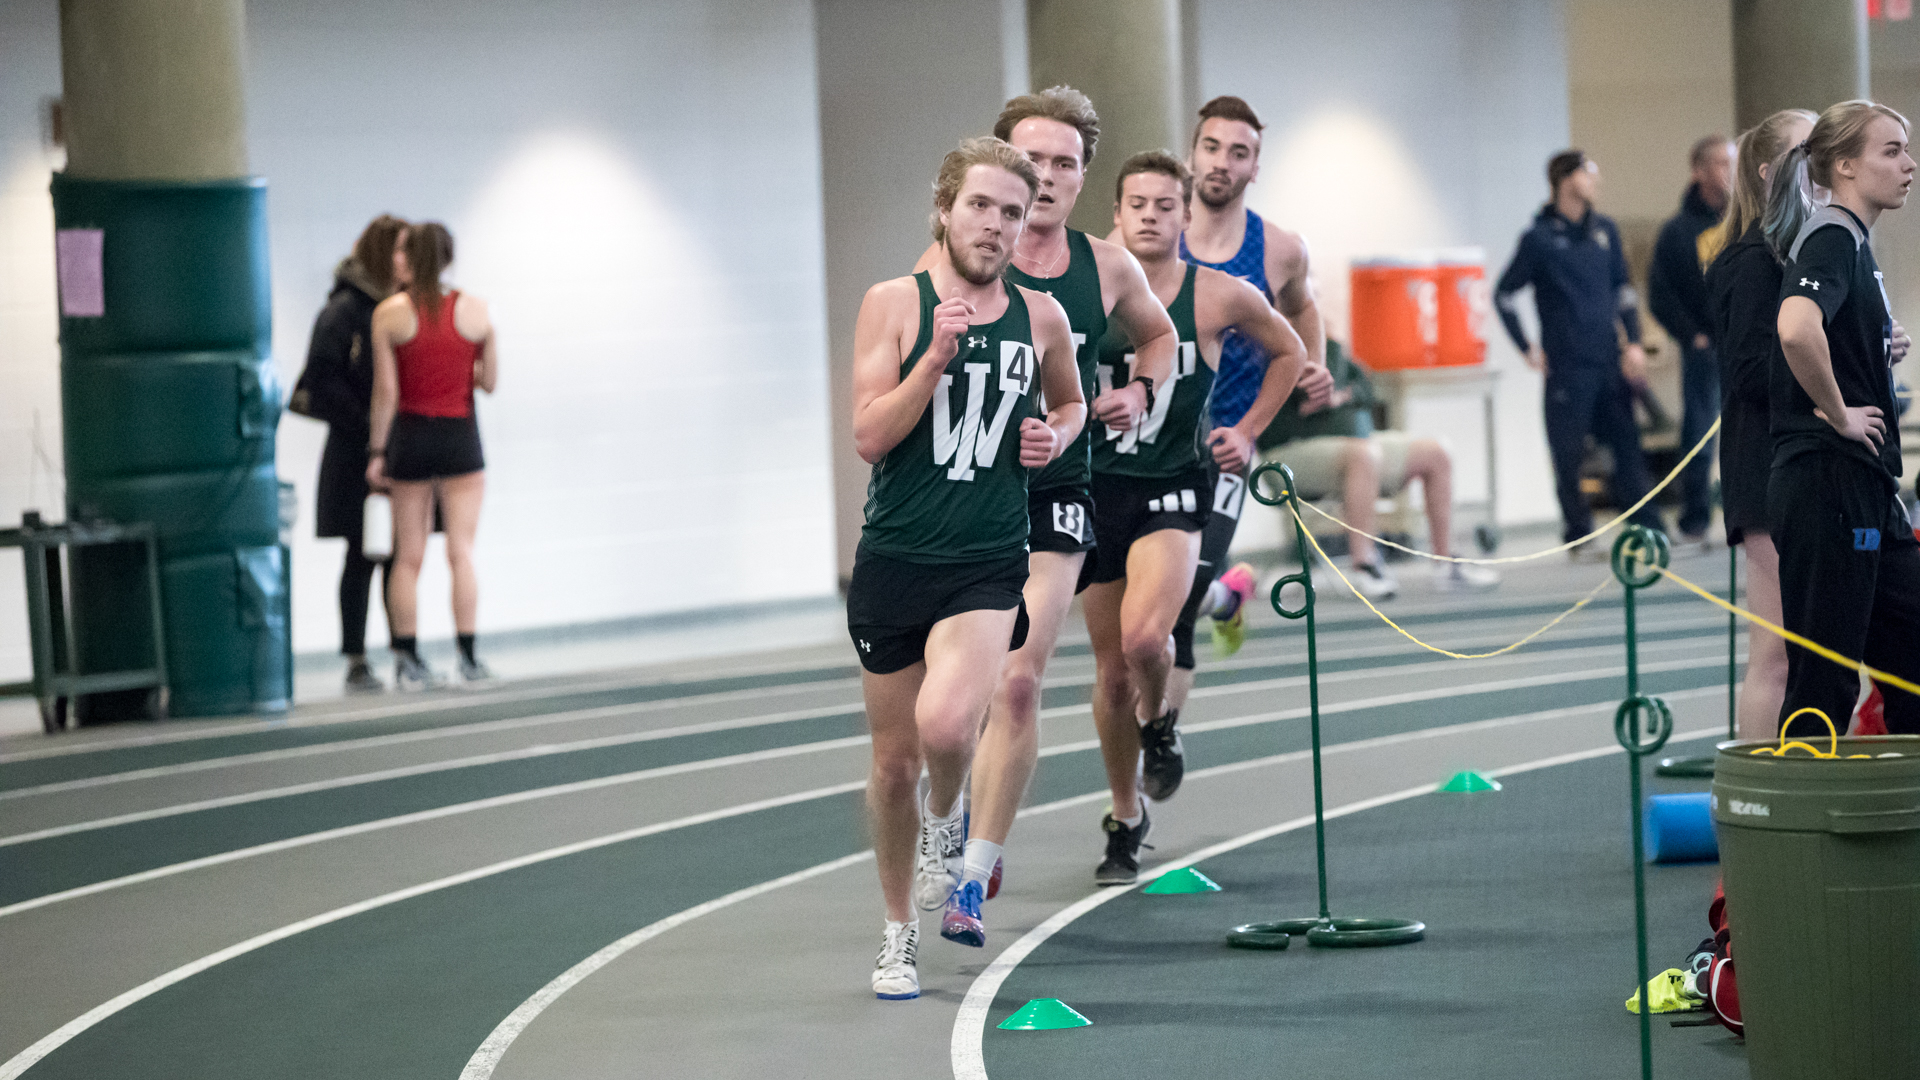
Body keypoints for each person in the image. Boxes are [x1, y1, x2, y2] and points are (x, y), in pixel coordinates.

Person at [910, 88, 1177, 909]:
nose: (1050, 177)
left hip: (1057, 490)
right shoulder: (951, 262)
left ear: (1084, 173)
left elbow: (1160, 335)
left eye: (1066, 163)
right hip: (961, 501)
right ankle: (945, 818)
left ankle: (978, 866)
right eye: (1035, 160)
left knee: (1019, 682)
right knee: (951, 710)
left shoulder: (1106, 266)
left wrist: (1137, 390)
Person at [850, 138, 1084, 997]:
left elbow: (1071, 399)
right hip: (895, 560)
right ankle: (897, 931)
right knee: (892, 763)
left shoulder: (1042, 316)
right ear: (945, 208)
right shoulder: (894, 304)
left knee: (949, 728)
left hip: (987, 560)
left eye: (1012, 213)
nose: (995, 225)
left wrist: (1053, 434)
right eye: (981, 206)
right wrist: (935, 360)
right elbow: (870, 435)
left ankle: (947, 830)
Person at [1085, 151, 1307, 885]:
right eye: (1137, 204)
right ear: (1115, 215)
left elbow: (1290, 350)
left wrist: (1247, 430)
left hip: (1173, 485)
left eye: (1164, 204)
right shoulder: (1081, 291)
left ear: (1186, 217)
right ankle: (1125, 817)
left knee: (1148, 637)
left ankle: (1161, 723)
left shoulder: (1218, 295)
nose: (1150, 215)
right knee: (1112, 671)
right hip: (1093, 491)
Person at [1164, 94, 1333, 712]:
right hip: (1152, 440)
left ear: (1254, 168)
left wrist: (1312, 362)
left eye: (1239, 154)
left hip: (1229, 440)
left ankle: (1161, 738)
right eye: (1211, 148)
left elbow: (1303, 308)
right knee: (1152, 590)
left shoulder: (1278, 248)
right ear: (1192, 154)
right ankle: (1227, 597)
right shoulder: (1152, 233)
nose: (1221, 163)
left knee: (1179, 597)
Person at [1766, 100, 1918, 735]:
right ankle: (1799, 830)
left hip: (1867, 489)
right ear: (1847, 166)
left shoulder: (1855, 241)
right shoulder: (1831, 234)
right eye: (1892, 151)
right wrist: (1840, 414)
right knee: (1824, 677)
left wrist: (1873, 342)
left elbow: (1826, 330)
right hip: (1830, 484)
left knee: (1910, 651)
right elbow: (1796, 330)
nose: (1909, 165)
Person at [1705, 108, 1816, 739]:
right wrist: (1827, 379)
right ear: (1773, 172)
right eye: (1810, 150)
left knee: (1815, 656)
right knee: (1774, 657)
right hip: (1764, 471)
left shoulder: (1809, 252)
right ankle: (1756, 810)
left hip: (1803, 465)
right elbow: (1750, 370)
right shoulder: (1751, 261)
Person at [1496, 150, 1664, 553]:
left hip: (1609, 360)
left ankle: (1648, 528)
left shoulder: (1604, 231)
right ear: (1566, 179)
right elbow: (1504, 294)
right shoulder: (1538, 239)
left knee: (1627, 447)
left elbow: (1624, 291)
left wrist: (1634, 342)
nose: (1596, 180)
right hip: (1567, 366)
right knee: (1568, 454)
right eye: (1589, 172)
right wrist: (1525, 346)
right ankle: (1578, 533)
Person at [1255, 339, 1500, 596]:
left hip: (1357, 441)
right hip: (1292, 448)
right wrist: (1310, 406)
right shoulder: (1270, 350)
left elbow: (1365, 390)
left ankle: (1446, 563)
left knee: (1437, 452)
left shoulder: (1333, 350)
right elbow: (1265, 423)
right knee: (1363, 456)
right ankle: (1364, 565)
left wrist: (1343, 396)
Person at [367, 222, 499, 690]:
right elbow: (489, 382)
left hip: (412, 435)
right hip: (461, 435)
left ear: (411, 257)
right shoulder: (477, 311)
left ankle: (408, 658)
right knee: (461, 552)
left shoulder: (389, 315)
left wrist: (377, 451)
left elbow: (386, 392)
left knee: (409, 555)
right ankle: (469, 657)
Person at [291, 214, 408, 693]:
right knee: (362, 555)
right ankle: (357, 657)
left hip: (400, 448)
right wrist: (368, 424)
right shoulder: (343, 310)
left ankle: (405, 649)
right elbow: (319, 380)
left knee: (401, 554)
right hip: (355, 450)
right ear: (383, 254)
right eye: (401, 251)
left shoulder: (402, 310)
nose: (408, 262)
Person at [1649, 135, 1736, 547]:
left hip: (1746, 346)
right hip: (1705, 351)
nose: (1729, 170)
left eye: (1733, 162)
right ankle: (1694, 519)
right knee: (1700, 436)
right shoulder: (1677, 232)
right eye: (1721, 162)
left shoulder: (1747, 222)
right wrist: (1693, 336)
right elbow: (1660, 294)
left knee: (1749, 433)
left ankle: (1746, 518)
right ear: (1699, 171)